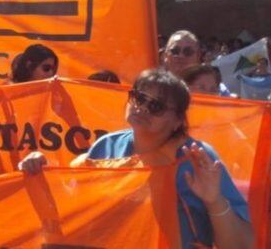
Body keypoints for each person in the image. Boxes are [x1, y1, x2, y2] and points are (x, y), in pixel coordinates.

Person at [19, 69, 253, 248]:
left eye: (156, 106)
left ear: (178, 121)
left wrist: (214, 201)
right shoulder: (106, 147)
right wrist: (43, 173)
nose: (142, 108)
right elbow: (77, 210)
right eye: (139, 97)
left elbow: (242, 245)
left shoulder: (196, 159)